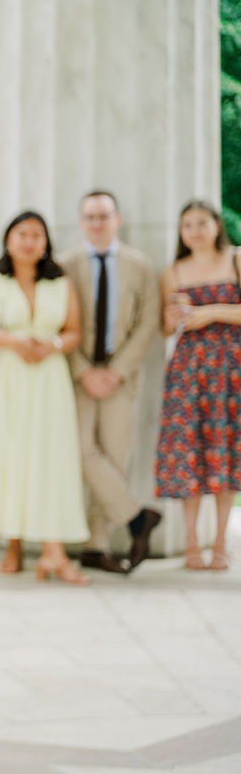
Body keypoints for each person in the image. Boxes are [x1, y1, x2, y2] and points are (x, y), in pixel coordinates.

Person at [0, 212, 90, 583]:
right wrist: (14, 340)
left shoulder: (61, 282)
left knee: (50, 458)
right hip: (2, 380)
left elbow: (75, 331)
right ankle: (12, 543)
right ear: (8, 239)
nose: (29, 241)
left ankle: (53, 550)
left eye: (37, 235)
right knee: (9, 454)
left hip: (48, 378)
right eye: (22, 234)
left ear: (46, 242)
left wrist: (53, 344)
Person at [63, 190, 165, 572]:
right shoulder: (65, 263)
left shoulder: (140, 265)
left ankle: (97, 545)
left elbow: (147, 323)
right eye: (90, 216)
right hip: (78, 376)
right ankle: (138, 517)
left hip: (121, 379)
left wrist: (116, 371)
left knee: (114, 458)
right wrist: (84, 370)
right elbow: (59, 319)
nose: (97, 223)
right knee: (82, 450)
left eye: (104, 216)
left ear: (117, 219)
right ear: (80, 221)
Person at [155, 200, 240, 571]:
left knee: (226, 451)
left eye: (201, 222)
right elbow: (164, 327)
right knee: (191, 453)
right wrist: (174, 316)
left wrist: (211, 312)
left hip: (231, 369)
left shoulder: (236, 259)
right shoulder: (172, 271)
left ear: (216, 225)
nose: (195, 230)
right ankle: (192, 542)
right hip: (188, 371)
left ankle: (220, 541)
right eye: (187, 224)